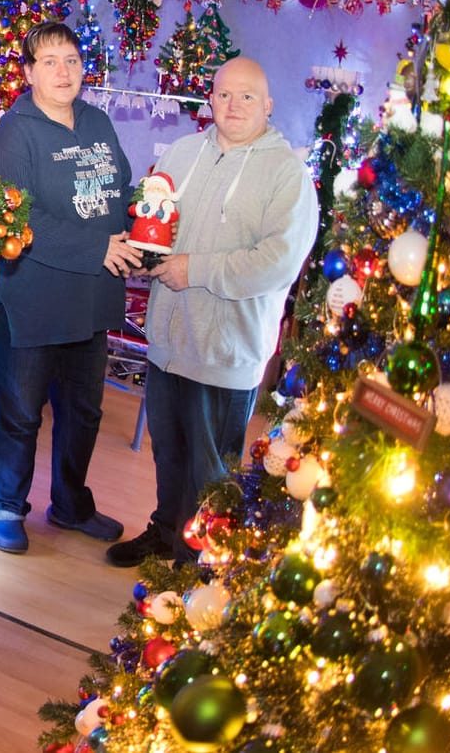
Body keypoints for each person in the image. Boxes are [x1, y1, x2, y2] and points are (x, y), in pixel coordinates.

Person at [106, 57, 319, 568]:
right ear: (210, 100)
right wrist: (139, 250)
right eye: (224, 95)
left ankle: (196, 564)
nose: (234, 105)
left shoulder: (288, 175)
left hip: (226, 350)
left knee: (211, 470)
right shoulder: (182, 153)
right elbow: (156, 225)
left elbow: (276, 263)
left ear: (267, 106)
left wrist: (194, 269)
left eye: (247, 96)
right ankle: (164, 533)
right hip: (167, 340)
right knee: (169, 451)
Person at [0, 20, 141, 554]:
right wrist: (98, 248)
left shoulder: (97, 121)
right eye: (49, 62)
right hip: (29, 299)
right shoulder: (15, 131)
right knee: (21, 412)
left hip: (88, 298)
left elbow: (118, 187)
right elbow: (19, 217)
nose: (63, 71)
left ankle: (69, 505)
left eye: (70, 60)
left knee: (84, 412)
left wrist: (148, 213)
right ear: (28, 73)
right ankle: (6, 506)